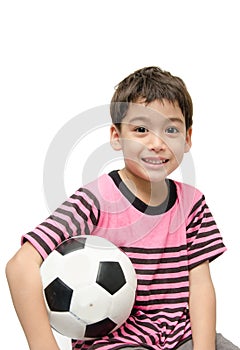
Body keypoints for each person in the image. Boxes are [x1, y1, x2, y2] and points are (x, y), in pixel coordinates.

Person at [6, 66, 239, 350]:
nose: (157, 143)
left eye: (171, 129)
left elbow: (200, 286)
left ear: (187, 138)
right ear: (116, 137)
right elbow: (21, 266)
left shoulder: (192, 204)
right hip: (116, 343)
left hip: (181, 338)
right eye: (141, 130)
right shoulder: (95, 199)